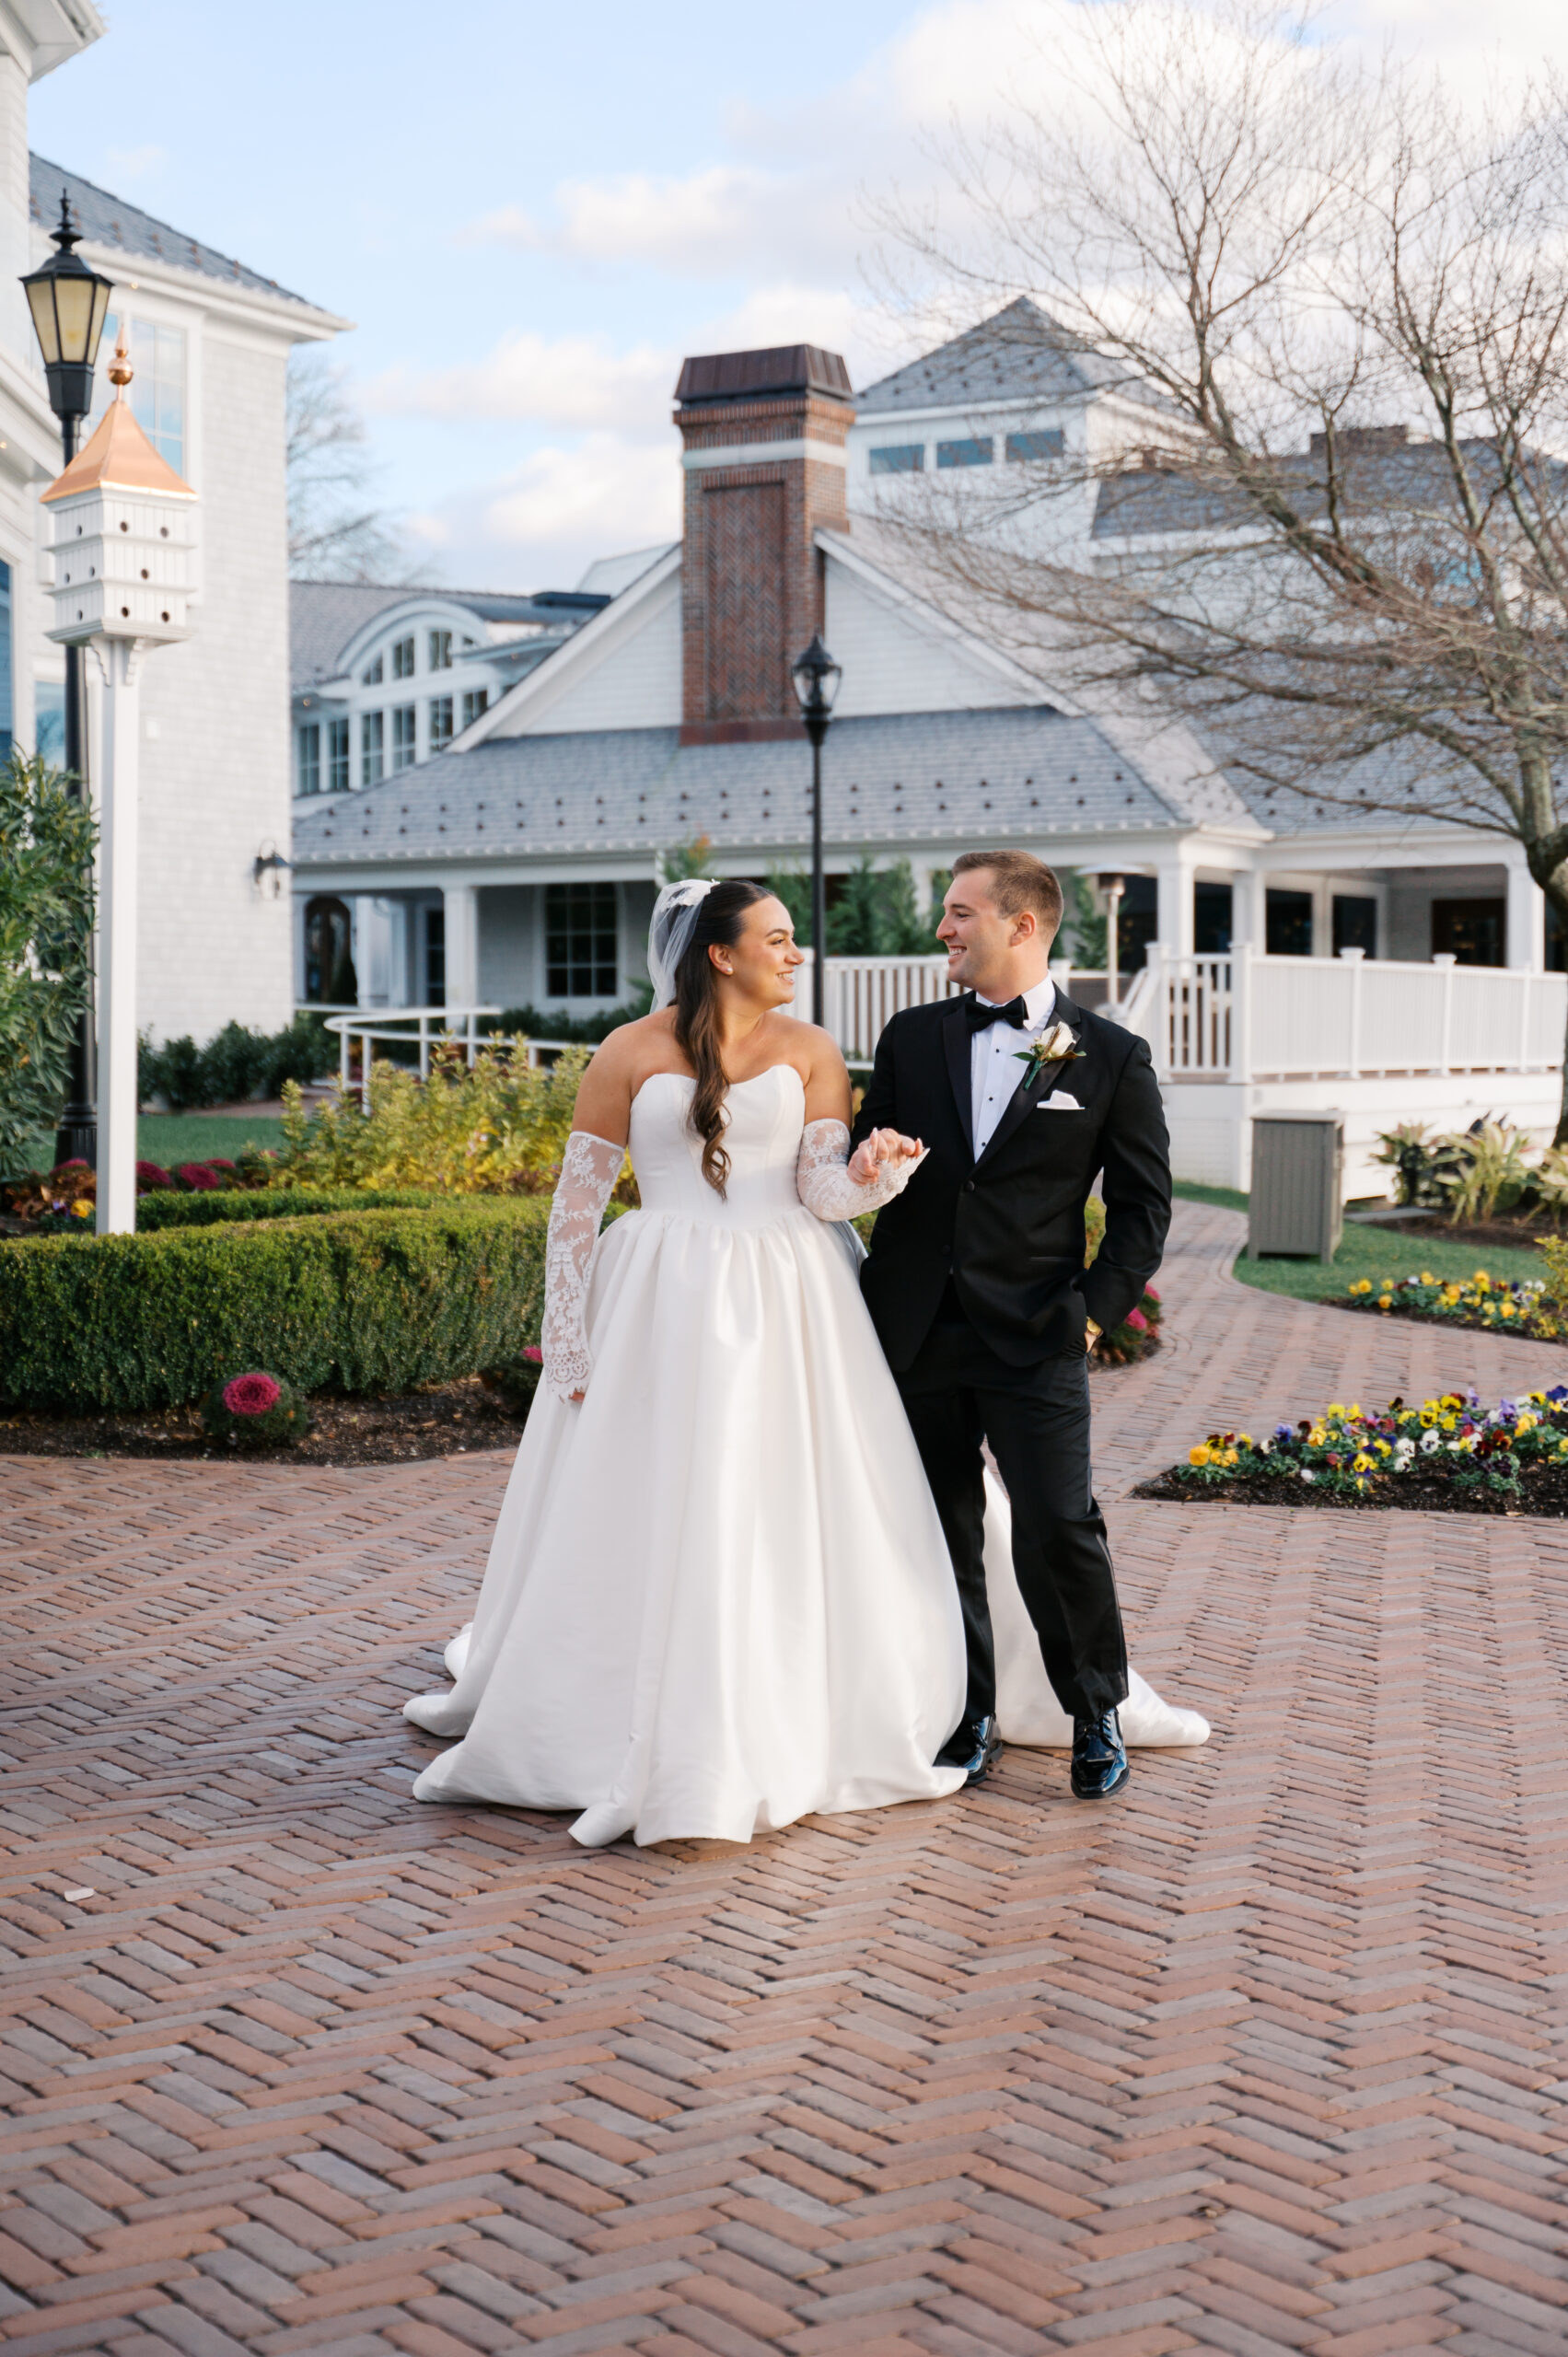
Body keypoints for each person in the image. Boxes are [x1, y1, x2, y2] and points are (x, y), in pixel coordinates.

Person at [402, 879, 971, 1846]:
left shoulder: (813, 1051)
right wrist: (568, 1337)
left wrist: (878, 1172)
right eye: (778, 939)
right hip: (656, 1296)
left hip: (790, 1295)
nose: (796, 956)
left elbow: (823, 1194)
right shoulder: (628, 1049)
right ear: (719, 951)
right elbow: (576, 1204)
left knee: (772, 1495)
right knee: (647, 1494)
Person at [851, 851, 1172, 1802]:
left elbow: (1143, 1208)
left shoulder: (1110, 1056)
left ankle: (1093, 1710)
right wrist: (869, 1155)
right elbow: (865, 1147)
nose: (942, 929)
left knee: (1057, 1526)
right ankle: (966, 1712)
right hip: (912, 1329)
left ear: (1019, 925)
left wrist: (1090, 1312)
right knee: (937, 1531)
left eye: (958, 913)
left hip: (1034, 1332)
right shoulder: (910, 1036)